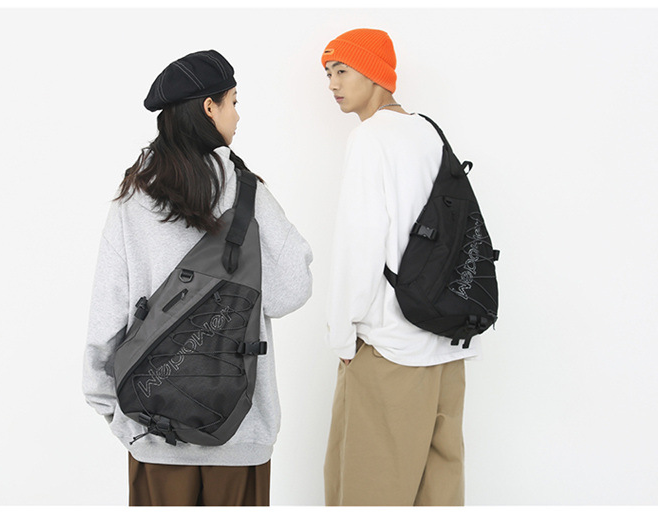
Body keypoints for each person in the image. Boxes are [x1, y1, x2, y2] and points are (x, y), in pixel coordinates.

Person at [82, 49, 313, 506]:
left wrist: (120, 416)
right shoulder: (247, 192)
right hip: (239, 434)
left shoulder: (133, 198)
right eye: (233, 102)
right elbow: (291, 291)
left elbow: (106, 315)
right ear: (210, 107)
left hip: (152, 428)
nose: (237, 115)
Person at [321, 29, 480, 506]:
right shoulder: (429, 131)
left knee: (368, 493)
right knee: (439, 492)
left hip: (390, 348)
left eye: (342, 70)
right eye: (328, 73)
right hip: (445, 343)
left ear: (375, 73)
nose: (332, 84)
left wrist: (342, 334)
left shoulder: (371, 138)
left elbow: (359, 244)